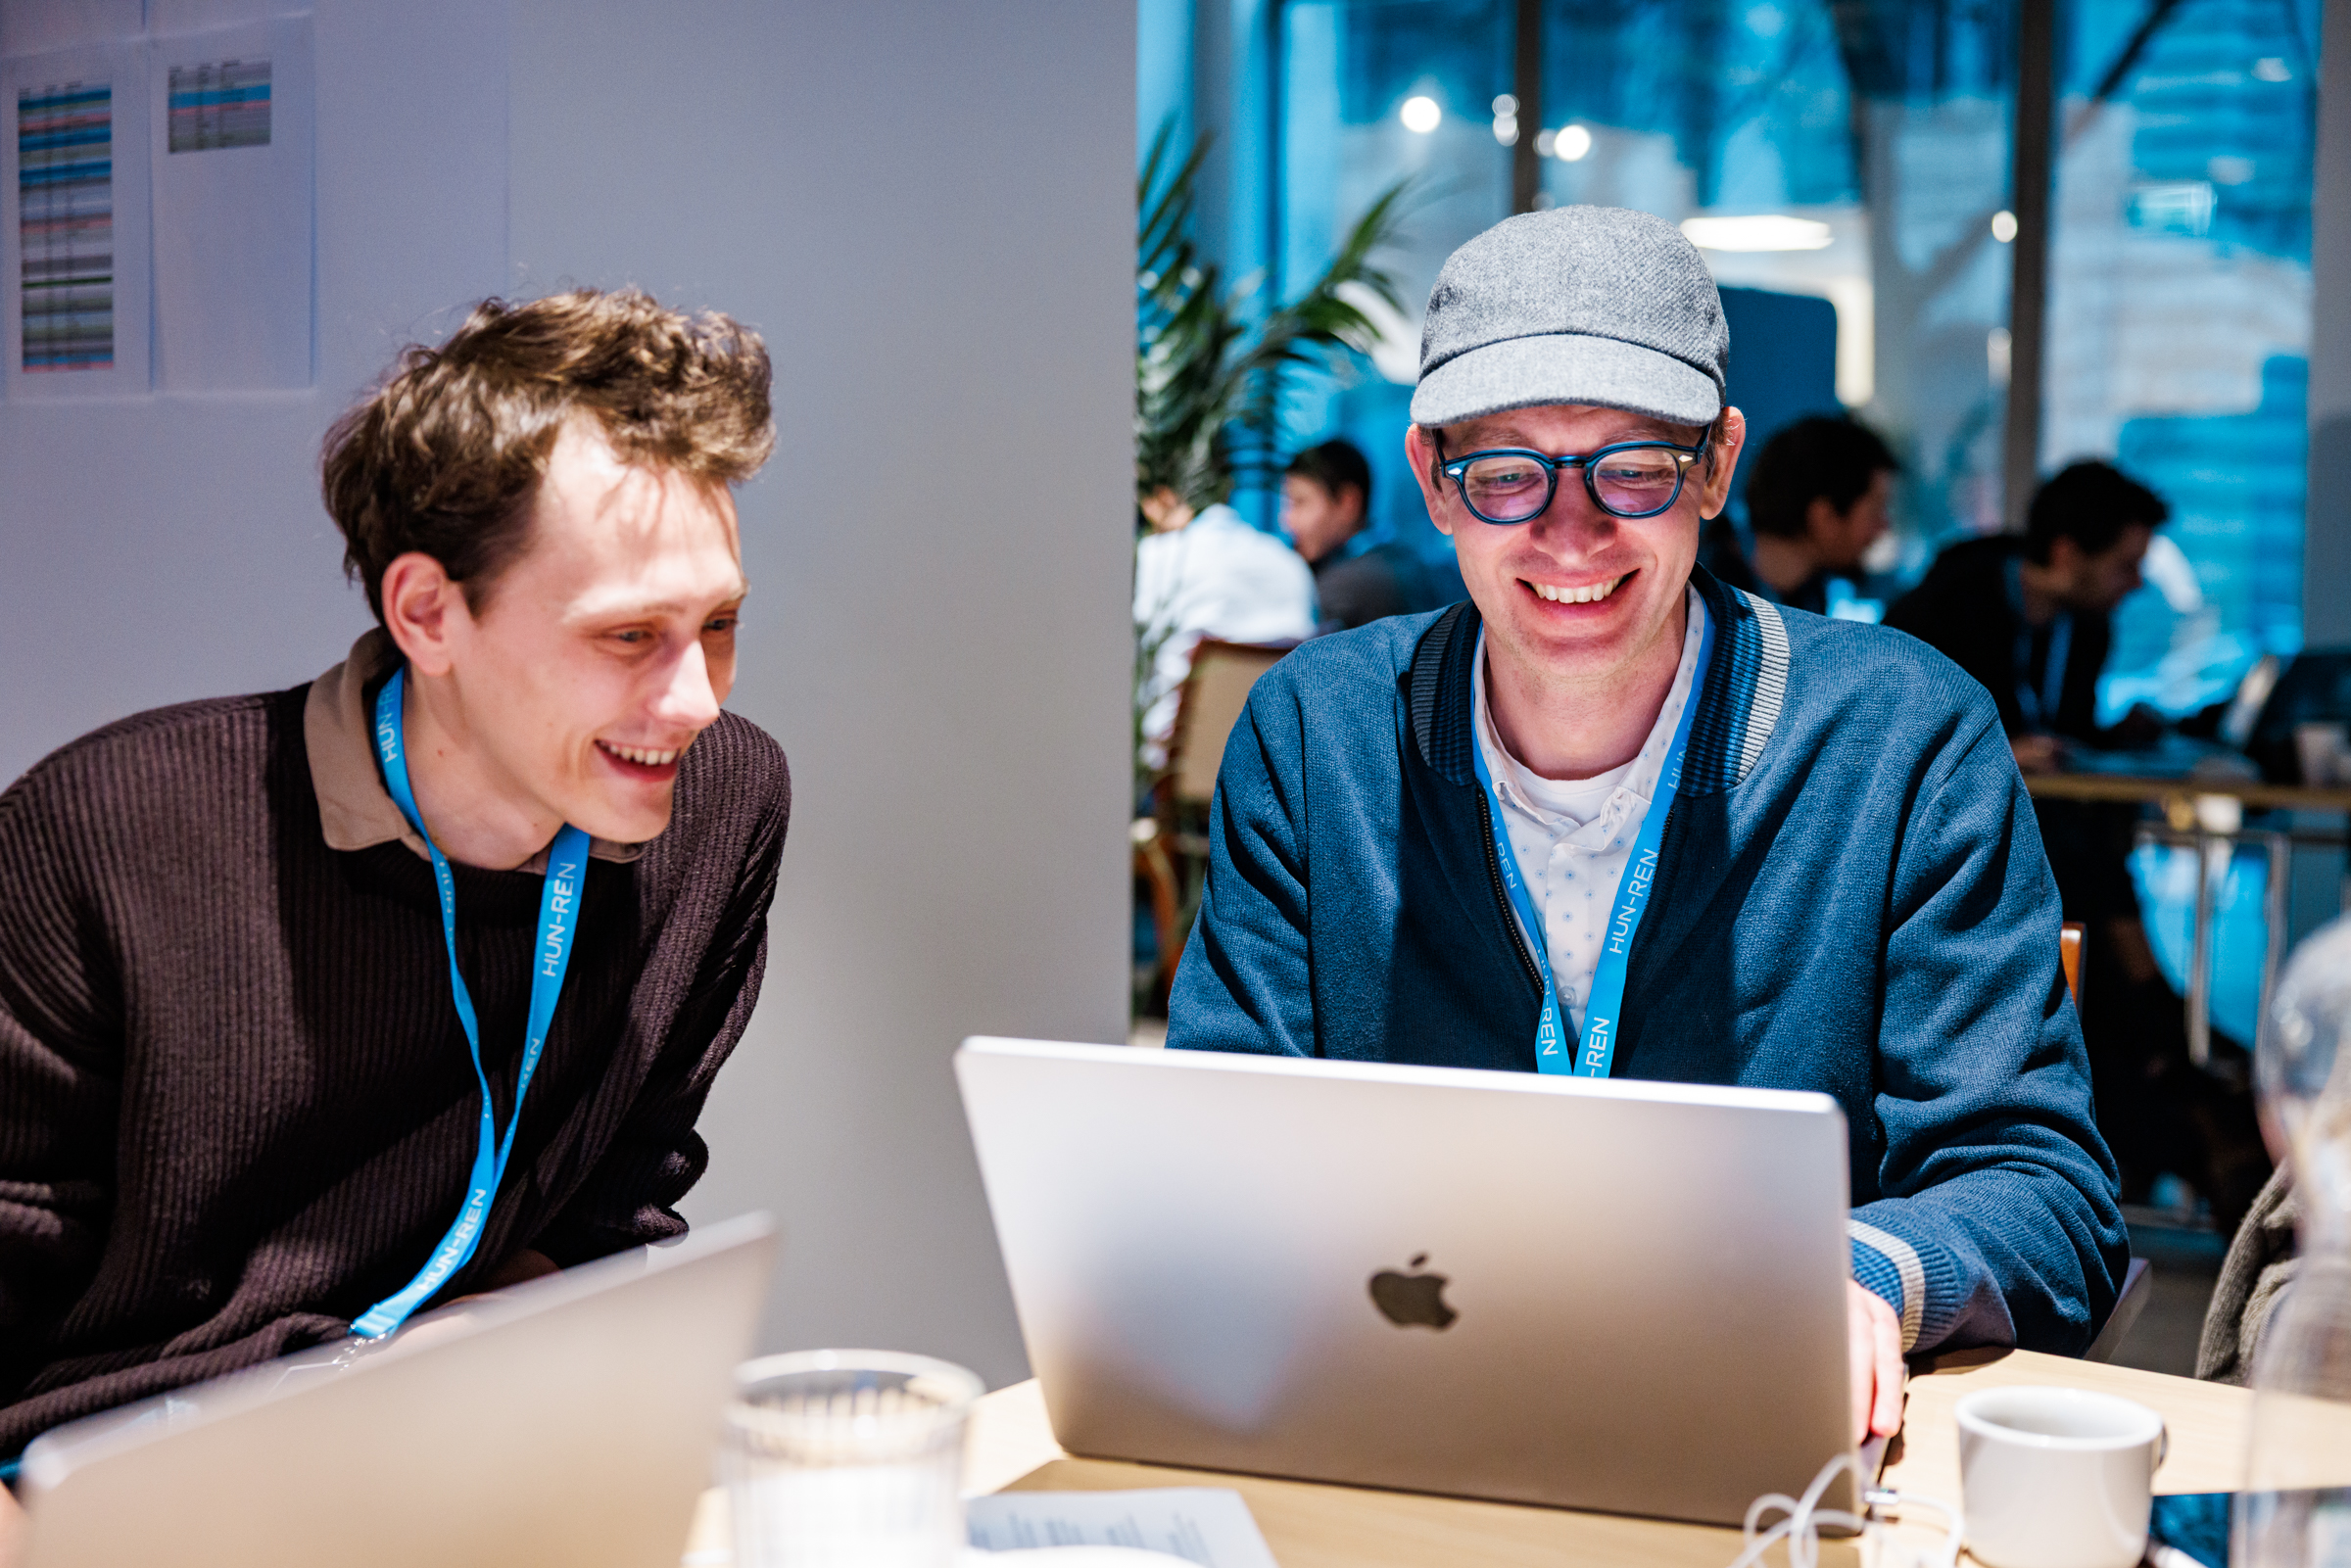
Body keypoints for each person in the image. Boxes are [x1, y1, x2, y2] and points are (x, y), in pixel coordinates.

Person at [1165, 206, 2125, 1445]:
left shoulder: (1903, 738)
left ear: (1717, 466)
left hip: (1760, 1449)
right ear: (1433, 479)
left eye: (1634, 466)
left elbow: (2043, 1189)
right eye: (1506, 470)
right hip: (1392, 1420)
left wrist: (1857, 1276)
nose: (1570, 533)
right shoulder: (1317, 735)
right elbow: (1213, 1152)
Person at [0, 290, 790, 1516]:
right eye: (629, 635)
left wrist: (433, 1384)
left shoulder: (722, 803)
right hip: (109, 1500)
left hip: (449, 1464)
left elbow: (618, 1197)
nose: (695, 699)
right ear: (428, 613)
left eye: (719, 623)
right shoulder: (105, 837)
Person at [1886, 463, 2268, 1230]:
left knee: (2109, 1018)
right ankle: (2169, 1040)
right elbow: (1905, 735)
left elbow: (2063, 735)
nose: (2135, 584)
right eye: (2125, 564)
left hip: (2056, 870)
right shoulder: (1947, 607)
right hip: (1973, 872)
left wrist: (2112, 736)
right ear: (2066, 552)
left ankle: (2171, 1057)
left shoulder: (2084, 627)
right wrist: (1999, 748)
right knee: (2114, 1020)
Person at [1133, 486, 1316, 769]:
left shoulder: (1154, 559)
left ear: (1163, 497)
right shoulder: (1292, 566)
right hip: (1275, 772)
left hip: (1169, 775)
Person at [1700, 414, 1897, 617]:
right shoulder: (1702, 595)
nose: (1884, 526)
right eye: (1875, 511)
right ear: (1824, 518)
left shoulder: (1812, 594)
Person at [1281, 439, 1424, 631]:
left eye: (1300, 502)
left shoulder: (1346, 586)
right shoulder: (1401, 559)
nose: (1287, 520)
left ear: (1348, 503)